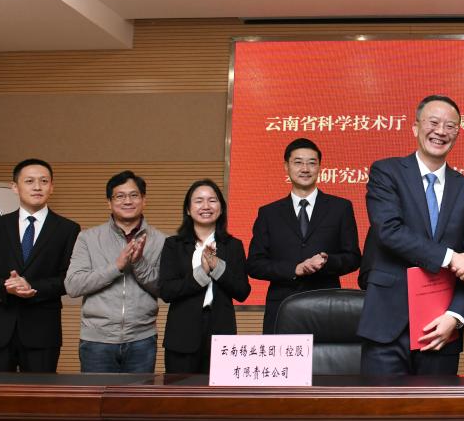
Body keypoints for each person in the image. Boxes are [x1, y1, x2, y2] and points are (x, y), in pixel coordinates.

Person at [357, 95, 464, 375]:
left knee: (437, 404)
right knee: (380, 403)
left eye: (450, 126)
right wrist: (450, 258)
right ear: (415, 127)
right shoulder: (386, 172)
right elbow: (389, 230)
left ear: (457, 133)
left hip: (442, 328)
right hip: (387, 324)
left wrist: (456, 316)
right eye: (433, 122)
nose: (441, 131)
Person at [0, 158, 80, 372]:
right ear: (15, 186)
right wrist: (6, 286)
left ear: (52, 187)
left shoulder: (68, 229)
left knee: (40, 392)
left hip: (42, 330)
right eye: (29, 181)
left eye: (44, 181)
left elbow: (69, 279)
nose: (37, 187)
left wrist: (32, 286)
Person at [246, 138, 361, 334]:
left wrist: (327, 261)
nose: (305, 169)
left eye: (312, 163)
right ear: (286, 167)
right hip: (282, 307)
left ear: (319, 167)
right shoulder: (269, 213)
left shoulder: (340, 207)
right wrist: (295, 269)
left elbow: (353, 257)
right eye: (298, 162)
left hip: (326, 305)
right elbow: (255, 264)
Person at [64, 171, 166, 373]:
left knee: (138, 394)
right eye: (120, 196)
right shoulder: (88, 238)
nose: (127, 201)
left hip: (142, 339)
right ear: (109, 203)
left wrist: (139, 263)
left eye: (134, 195)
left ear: (144, 200)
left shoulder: (161, 240)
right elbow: (73, 285)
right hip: (96, 341)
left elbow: (164, 289)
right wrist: (117, 266)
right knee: (96, 394)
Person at [159, 180, 251, 373]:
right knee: (179, 391)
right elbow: (166, 291)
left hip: (221, 332)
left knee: (220, 392)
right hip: (182, 335)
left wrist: (217, 267)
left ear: (221, 208)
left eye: (212, 200)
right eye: (199, 201)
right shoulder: (173, 245)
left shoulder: (233, 245)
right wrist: (201, 274)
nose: (206, 206)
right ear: (188, 209)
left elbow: (242, 291)